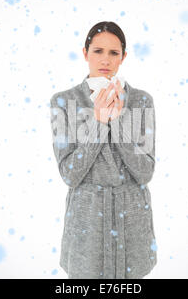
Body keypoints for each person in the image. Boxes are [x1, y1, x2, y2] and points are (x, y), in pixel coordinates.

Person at [50, 21, 157, 279]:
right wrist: (98, 123)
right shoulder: (64, 102)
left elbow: (145, 172)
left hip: (131, 218)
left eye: (114, 52)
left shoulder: (142, 101)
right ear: (85, 53)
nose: (105, 60)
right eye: (98, 51)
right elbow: (70, 174)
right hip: (87, 221)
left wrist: (117, 121)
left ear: (124, 57)